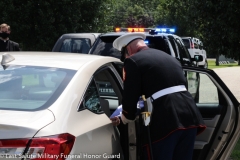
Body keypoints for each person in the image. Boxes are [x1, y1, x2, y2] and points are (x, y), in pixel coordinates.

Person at [112, 33, 206, 160]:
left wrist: (125, 117)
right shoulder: (169, 57)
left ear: (128, 50)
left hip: (166, 121)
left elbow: (130, 97)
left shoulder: (132, 61)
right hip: (190, 117)